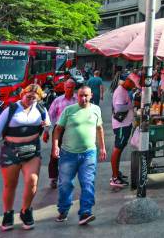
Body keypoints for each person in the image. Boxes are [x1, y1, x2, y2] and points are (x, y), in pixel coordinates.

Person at [0, 84, 49, 231]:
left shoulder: (41, 109)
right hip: (10, 151)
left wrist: (47, 127)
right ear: (22, 94)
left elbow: (47, 124)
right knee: (10, 185)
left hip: (32, 150)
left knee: (32, 181)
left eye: (34, 98)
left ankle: (26, 211)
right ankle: (8, 213)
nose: (30, 100)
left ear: (39, 98)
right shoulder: (10, 110)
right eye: (28, 96)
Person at [51, 86, 106, 226]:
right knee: (65, 184)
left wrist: (102, 148)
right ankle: (63, 210)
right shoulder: (69, 110)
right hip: (68, 154)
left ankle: (85, 212)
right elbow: (58, 129)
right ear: (77, 95)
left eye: (86, 96)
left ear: (91, 95)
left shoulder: (96, 110)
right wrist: (55, 146)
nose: (83, 98)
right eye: (81, 95)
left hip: (89, 153)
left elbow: (99, 128)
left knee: (88, 182)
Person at [45, 79, 78, 189]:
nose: (69, 89)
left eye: (71, 87)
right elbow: (49, 116)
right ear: (64, 88)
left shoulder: (78, 100)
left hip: (73, 130)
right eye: (67, 87)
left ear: (74, 88)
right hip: (59, 129)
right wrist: (46, 131)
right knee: (55, 153)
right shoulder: (58, 100)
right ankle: (53, 178)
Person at [110, 72, 139, 188]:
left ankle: (116, 173)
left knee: (120, 149)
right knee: (117, 149)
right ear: (128, 81)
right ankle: (115, 178)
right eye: (133, 84)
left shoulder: (124, 90)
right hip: (121, 125)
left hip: (125, 124)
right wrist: (132, 105)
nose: (133, 87)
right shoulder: (121, 91)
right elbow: (119, 107)